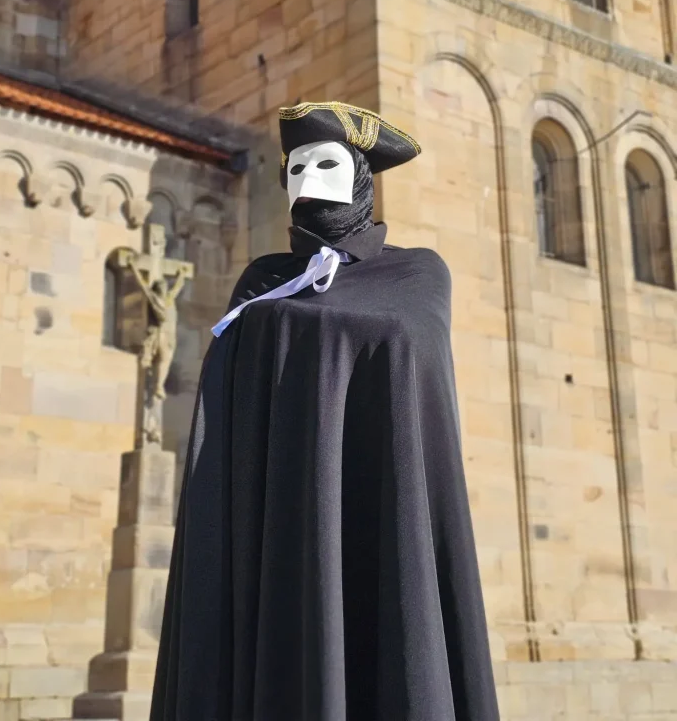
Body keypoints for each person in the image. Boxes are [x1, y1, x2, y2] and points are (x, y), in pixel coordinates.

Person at [150, 101, 500, 721]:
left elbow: (408, 347)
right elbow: (233, 372)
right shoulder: (264, 279)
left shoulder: (417, 272)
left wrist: (290, 325)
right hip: (279, 513)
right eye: (295, 168)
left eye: (327, 163)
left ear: (362, 174)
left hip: (382, 508)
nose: (309, 180)